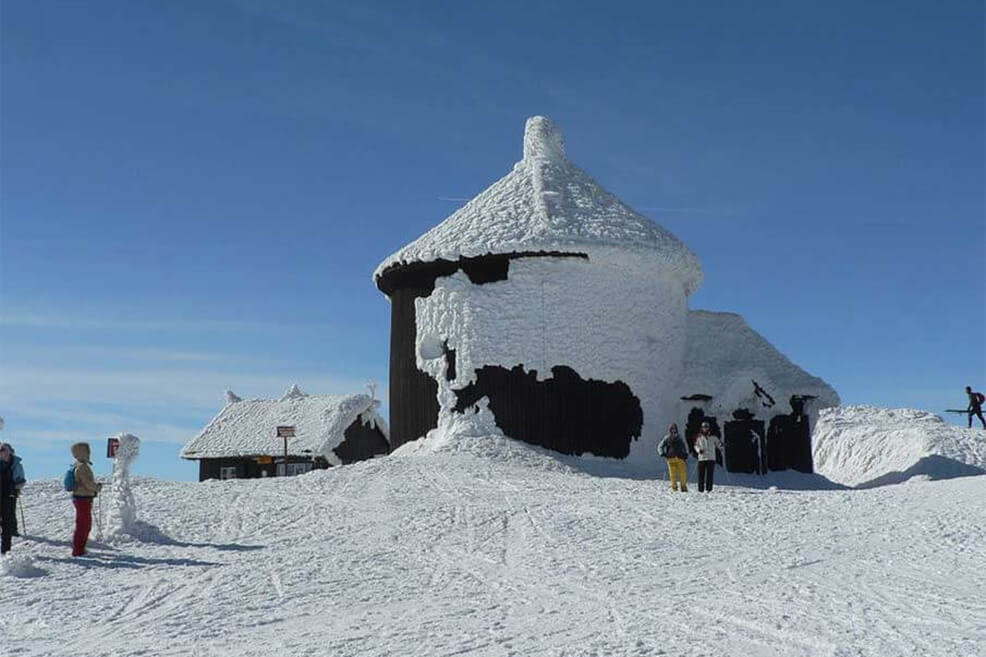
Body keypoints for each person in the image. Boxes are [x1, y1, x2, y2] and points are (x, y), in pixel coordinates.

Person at [70, 442, 102, 557]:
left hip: (82, 498)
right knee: (83, 525)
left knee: (83, 524)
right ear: (80, 453)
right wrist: (96, 487)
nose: (89, 454)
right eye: (87, 451)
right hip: (83, 499)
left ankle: (80, 549)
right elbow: (87, 483)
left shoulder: (78, 465)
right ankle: (78, 551)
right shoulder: (82, 467)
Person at [0, 442, 26, 554]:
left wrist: (17, 486)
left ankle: (5, 550)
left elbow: (21, 478)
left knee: (7, 521)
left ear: (10, 451)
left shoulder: (16, 463)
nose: (4, 453)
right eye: (1, 450)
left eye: (5, 450)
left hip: (9, 495)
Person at [694, 422, 724, 493]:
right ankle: (700, 489)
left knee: (709, 475)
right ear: (702, 428)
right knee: (701, 475)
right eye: (704, 427)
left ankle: (709, 489)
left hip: (711, 458)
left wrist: (721, 446)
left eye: (706, 427)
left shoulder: (713, 437)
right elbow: (696, 446)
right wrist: (699, 450)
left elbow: (718, 444)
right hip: (702, 458)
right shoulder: (699, 437)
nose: (705, 428)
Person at [657, 423, 689, 492]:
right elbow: (660, 446)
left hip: (680, 458)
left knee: (683, 474)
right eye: (672, 429)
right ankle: (674, 487)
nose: (673, 431)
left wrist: (685, 454)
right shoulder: (667, 438)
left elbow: (684, 448)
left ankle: (683, 487)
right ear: (670, 430)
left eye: (675, 429)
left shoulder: (680, 438)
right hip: (671, 458)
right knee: (672, 475)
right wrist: (662, 453)